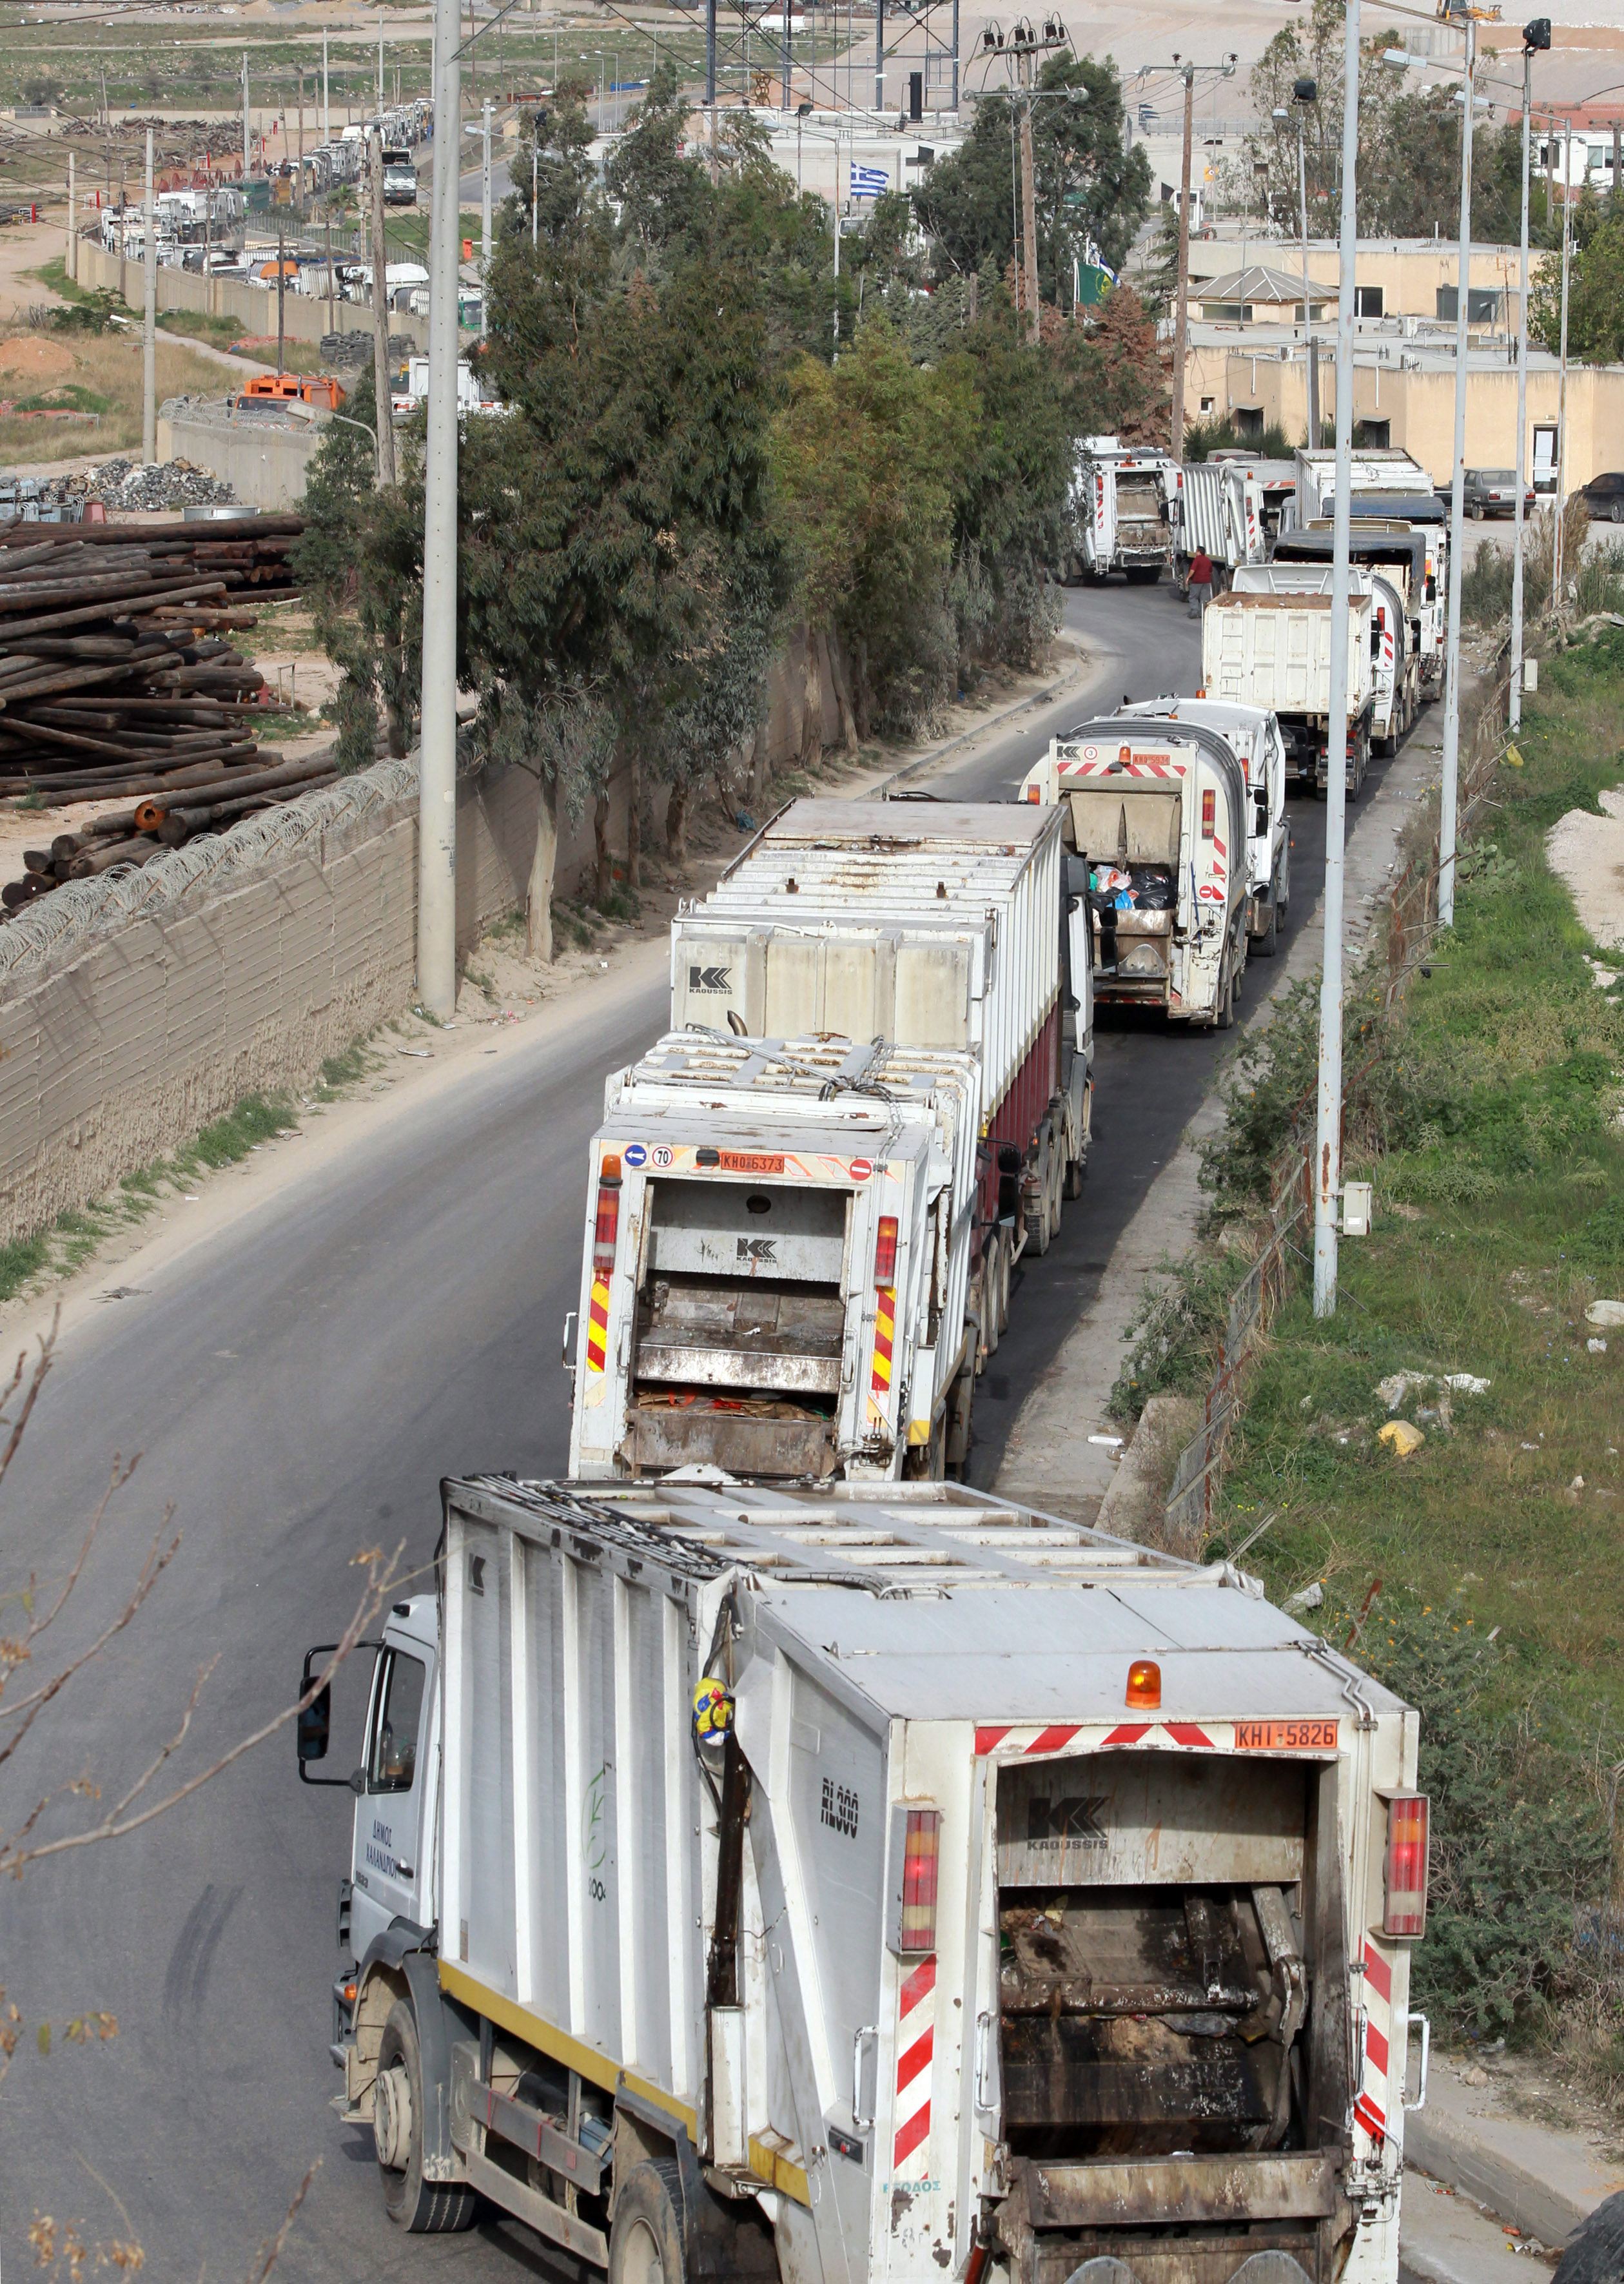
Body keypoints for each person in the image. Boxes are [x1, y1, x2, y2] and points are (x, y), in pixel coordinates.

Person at [1188, 547, 1214, 620]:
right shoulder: (1208, 560)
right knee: (1204, 598)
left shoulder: (1197, 560)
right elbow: (1211, 570)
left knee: (1193, 597)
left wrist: (1188, 578)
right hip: (1207, 581)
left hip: (1197, 581)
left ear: (1199, 552)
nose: (1196, 553)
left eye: (1196, 551)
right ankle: (1203, 613)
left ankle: (1195, 612)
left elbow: (1193, 570)